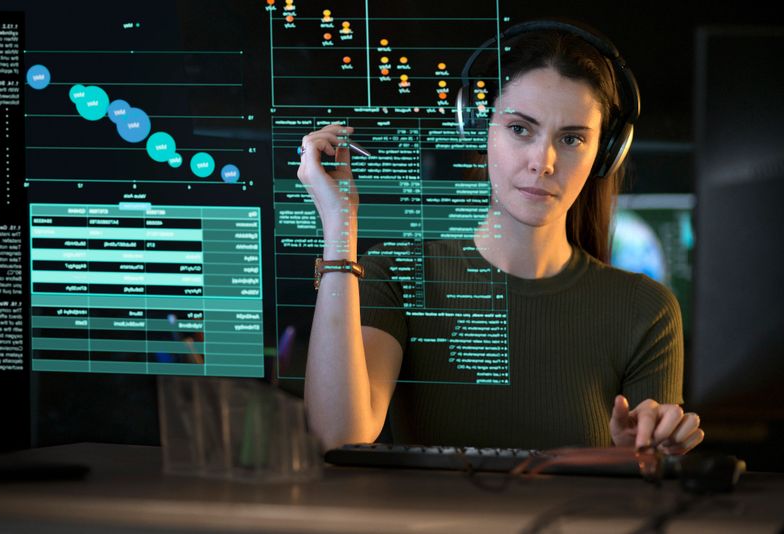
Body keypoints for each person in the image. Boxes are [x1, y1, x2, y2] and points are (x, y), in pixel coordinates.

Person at [296, 20, 704, 455]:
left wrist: (645, 454)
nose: (542, 162)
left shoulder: (646, 311)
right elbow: (337, 439)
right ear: (479, 130)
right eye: (519, 129)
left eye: (571, 139)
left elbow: (648, 486)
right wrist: (340, 223)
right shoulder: (396, 275)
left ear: (604, 153)